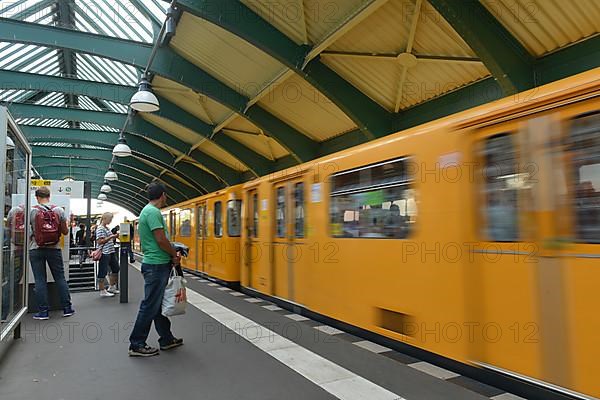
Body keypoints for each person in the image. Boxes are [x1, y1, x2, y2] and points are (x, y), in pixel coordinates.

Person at [129, 181, 185, 357]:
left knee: (156, 304)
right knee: (149, 306)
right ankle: (136, 344)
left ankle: (166, 339)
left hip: (156, 263)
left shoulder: (147, 211)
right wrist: (173, 255)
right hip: (156, 265)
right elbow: (160, 239)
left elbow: (159, 240)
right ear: (163, 195)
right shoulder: (152, 212)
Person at [28, 186, 74, 320]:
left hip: (35, 249)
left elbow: (29, 231)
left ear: (37, 197)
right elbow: (65, 232)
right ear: (49, 196)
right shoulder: (58, 210)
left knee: (39, 280)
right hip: (54, 249)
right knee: (60, 278)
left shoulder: (32, 211)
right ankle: (67, 308)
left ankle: (43, 312)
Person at [96, 212, 120, 297]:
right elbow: (99, 241)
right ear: (104, 219)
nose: (110, 221)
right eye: (110, 219)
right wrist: (111, 237)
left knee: (116, 268)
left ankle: (111, 287)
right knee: (102, 271)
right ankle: (102, 290)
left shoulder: (107, 228)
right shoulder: (100, 228)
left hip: (110, 251)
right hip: (104, 253)